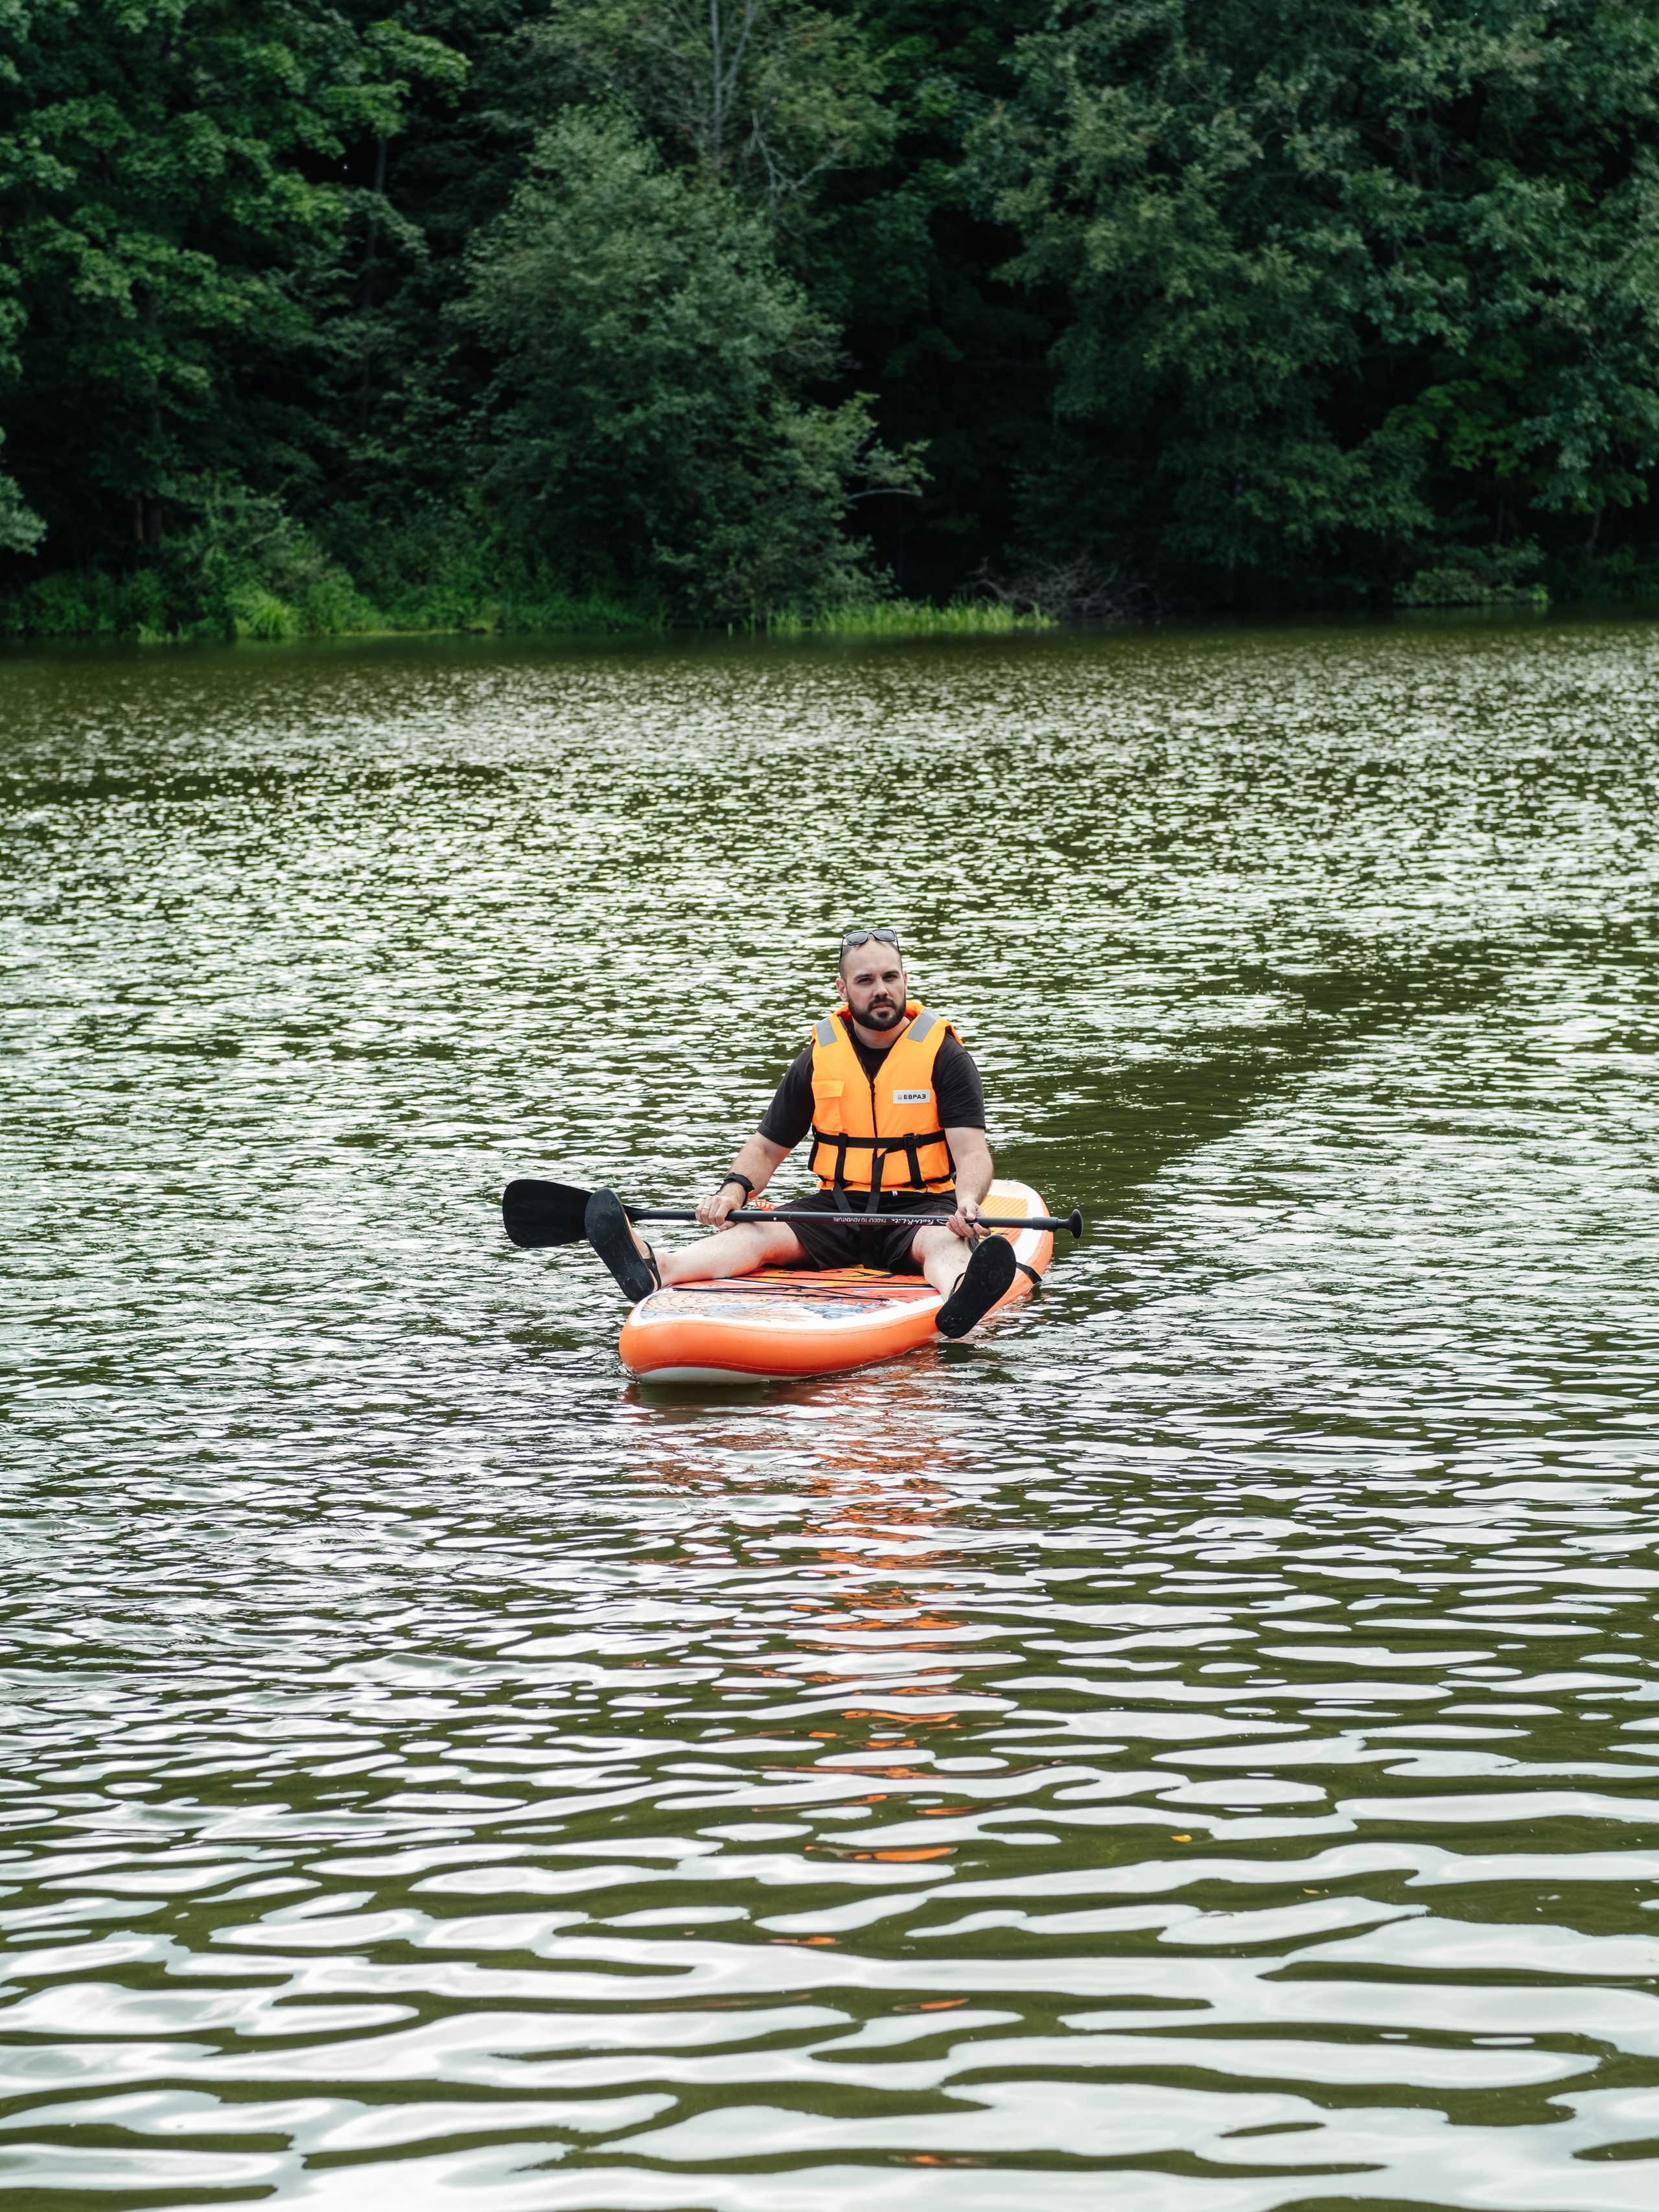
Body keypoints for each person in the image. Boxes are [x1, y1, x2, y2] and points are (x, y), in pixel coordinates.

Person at [585, 929, 1018, 1339]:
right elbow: (767, 1146)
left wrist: (968, 1202)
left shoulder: (944, 1054)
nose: (880, 989)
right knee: (757, 1230)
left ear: (905, 979)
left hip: (920, 1208)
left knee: (945, 1241)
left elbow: (972, 1153)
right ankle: (656, 1266)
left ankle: (963, 1291)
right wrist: (733, 1193)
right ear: (843, 989)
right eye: (865, 980)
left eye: (889, 977)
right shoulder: (819, 1056)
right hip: (838, 1207)